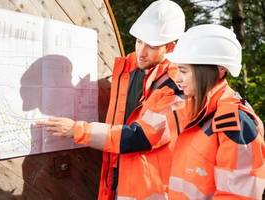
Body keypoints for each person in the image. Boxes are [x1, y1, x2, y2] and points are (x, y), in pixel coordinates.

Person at [38, 0, 186, 199]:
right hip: (119, 181)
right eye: (139, 41)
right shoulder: (129, 69)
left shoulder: (177, 86)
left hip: (151, 191)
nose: (141, 51)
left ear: (170, 47)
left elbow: (140, 136)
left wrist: (77, 130)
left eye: (151, 46)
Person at [165, 24, 265, 199]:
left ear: (215, 71)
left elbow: (237, 196)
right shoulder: (195, 113)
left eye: (183, 71)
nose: (177, 79)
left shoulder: (234, 123)